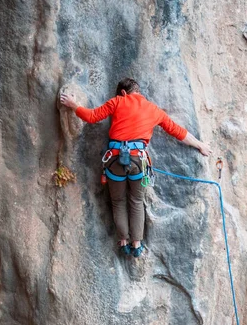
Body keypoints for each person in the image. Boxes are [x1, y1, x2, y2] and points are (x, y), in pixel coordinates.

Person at [60, 78, 212, 257]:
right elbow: (178, 132)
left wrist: (73, 104)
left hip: (115, 160)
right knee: (136, 202)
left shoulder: (117, 101)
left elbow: (91, 116)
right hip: (139, 162)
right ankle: (137, 244)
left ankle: (123, 241)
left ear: (123, 93)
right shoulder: (154, 110)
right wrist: (200, 145)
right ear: (138, 92)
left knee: (118, 202)